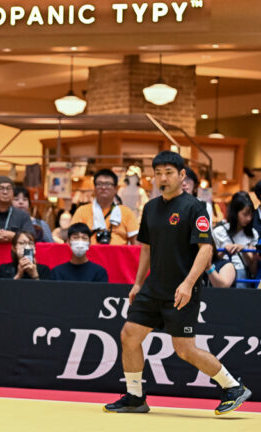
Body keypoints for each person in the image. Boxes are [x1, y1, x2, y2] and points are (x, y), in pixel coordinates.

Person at [104, 151, 251, 416]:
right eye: (158, 173)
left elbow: (206, 249)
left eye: (169, 173)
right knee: (129, 335)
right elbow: (146, 248)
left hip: (182, 289)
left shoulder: (195, 207)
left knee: (184, 349)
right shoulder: (150, 208)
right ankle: (135, 397)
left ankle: (233, 387)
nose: (163, 178)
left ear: (182, 176)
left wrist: (187, 283)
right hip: (153, 287)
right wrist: (137, 283)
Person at [70, 168, 138, 245]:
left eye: (108, 184)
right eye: (99, 184)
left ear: (115, 189)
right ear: (94, 188)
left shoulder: (126, 213)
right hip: (88, 252)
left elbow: (136, 244)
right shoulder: (82, 211)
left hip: (118, 253)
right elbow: (72, 239)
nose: (103, 187)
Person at [207, 191, 258, 288]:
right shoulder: (219, 232)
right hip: (222, 273)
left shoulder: (253, 234)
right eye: (245, 214)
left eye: (251, 214)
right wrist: (224, 251)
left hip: (242, 278)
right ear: (235, 212)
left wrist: (243, 250)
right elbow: (212, 259)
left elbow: (252, 268)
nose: (249, 218)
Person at [0, 176, 34, 243]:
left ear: (13, 193)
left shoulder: (23, 216)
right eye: (1, 188)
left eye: (9, 188)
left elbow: (31, 238)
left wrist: (14, 236)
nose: (5, 192)